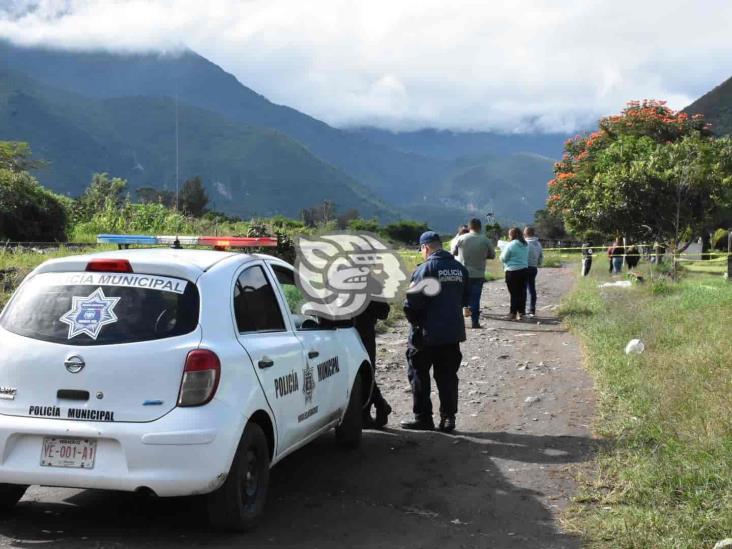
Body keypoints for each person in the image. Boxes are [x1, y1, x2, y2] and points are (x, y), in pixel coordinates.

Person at [402, 231, 469, 432]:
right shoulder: (459, 268)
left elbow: (411, 304)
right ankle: (448, 419)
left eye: (421, 250)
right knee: (448, 376)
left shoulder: (425, 269)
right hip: (451, 333)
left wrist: (416, 325)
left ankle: (423, 418)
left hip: (426, 334)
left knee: (418, 374)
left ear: (426, 247)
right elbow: (465, 298)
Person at [353, 299, 392, 429]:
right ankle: (379, 406)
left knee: (365, 374)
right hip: (357, 334)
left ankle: (369, 411)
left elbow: (383, 311)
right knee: (363, 374)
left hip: (361, 334)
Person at [451, 218, 495, 329]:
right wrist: (483, 256)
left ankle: (459, 322)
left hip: (463, 273)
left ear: (469, 227)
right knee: (475, 299)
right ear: (480, 227)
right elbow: (492, 255)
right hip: (478, 274)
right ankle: (475, 322)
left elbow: (453, 253)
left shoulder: (461, 238)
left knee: (461, 298)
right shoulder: (485, 240)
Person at [499, 227, 529, 321]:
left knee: (514, 293)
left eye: (509, 234)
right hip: (524, 270)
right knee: (522, 292)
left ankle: (512, 313)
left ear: (512, 235)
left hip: (512, 271)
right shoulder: (525, 244)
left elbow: (503, 258)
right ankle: (522, 312)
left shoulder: (510, 245)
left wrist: (501, 252)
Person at [523, 226, 543, 317]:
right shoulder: (538, 243)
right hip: (534, 268)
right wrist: (538, 263)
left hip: (525, 267)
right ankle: (532, 309)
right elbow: (541, 256)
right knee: (532, 289)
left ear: (526, 233)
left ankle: (522, 309)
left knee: (522, 289)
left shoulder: (524, 243)